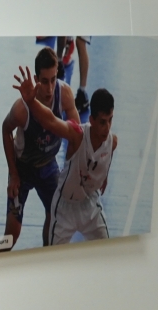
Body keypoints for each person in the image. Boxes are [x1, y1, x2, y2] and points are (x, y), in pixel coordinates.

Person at [14, 74, 122, 245]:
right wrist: (31, 101)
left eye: (110, 120)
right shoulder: (77, 135)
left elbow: (108, 153)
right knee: (55, 257)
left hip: (90, 205)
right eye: (102, 122)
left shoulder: (112, 141)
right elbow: (50, 121)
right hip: (65, 208)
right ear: (92, 120)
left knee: (107, 251)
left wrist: (105, 175)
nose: (107, 127)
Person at [1, 46, 80, 250]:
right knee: (11, 235)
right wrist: (13, 173)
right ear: (36, 79)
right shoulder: (22, 109)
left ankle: (47, 255)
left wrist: (70, 171)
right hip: (22, 168)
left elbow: (76, 136)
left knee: (55, 220)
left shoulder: (65, 95)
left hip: (48, 166)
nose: (49, 88)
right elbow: (5, 129)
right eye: (44, 81)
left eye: (53, 80)